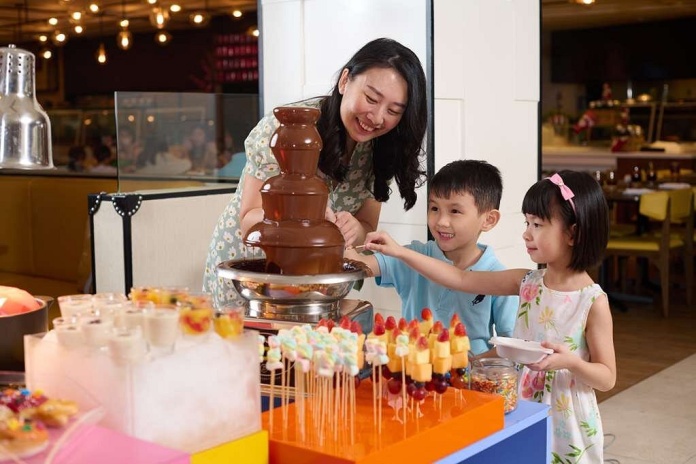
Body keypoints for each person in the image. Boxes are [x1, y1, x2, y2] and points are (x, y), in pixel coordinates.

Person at [362, 170, 616, 463]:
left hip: (566, 416)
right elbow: (460, 278)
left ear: (573, 233)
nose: (526, 233)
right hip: (521, 401)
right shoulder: (526, 282)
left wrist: (570, 361)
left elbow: (607, 378)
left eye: (538, 225)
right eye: (527, 223)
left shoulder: (592, 301)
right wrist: (400, 253)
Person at [203, 37, 428, 308]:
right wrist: (306, 216)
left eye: (393, 110)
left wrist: (355, 229)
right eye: (371, 99)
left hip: (315, 283)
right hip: (253, 275)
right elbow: (249, 220)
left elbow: (366, 227)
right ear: (344, 81)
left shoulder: (382, 148)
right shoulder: (288, 129)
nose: (378, 117)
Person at [346, 160, 518, 355]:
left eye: (455, 211)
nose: (441, 222)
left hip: (471, 374)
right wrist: (339, 233)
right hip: (411, 371)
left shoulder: (499, 278)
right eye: (434, 208)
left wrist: (472, 364)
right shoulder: (413, 256)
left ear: (488, 220)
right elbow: (359, 265)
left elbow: (511, 345)